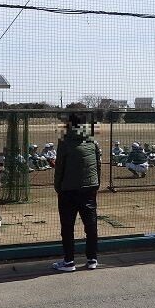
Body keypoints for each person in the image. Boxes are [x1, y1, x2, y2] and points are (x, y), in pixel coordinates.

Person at [52, 113, 101, 272]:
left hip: (68, 190)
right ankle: (92, 259)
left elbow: (59, 167)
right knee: (91, 224)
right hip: (89, 188)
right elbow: (98, 165)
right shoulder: (91, 141)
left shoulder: (65, 141)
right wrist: (96, 184)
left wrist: (58, 187)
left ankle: (69, 262)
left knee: (67, 226)